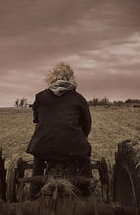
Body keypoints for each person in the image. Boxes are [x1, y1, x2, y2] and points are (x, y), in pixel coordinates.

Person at [26, 62, 92, 199]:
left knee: (38, 158)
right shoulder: (79, 99)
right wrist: (80, 138)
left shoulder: (40, 97)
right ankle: (86, 191)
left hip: (43, 145)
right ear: (71, 78)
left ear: (51, 78)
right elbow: (87, 125)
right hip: (73, 146)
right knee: (84, 157)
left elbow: (36, 120)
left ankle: (33, 193)